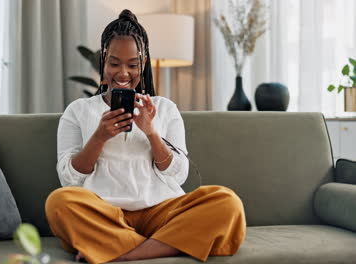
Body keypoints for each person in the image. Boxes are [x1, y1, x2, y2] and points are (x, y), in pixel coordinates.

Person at [45, 9, 246, 264]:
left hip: (161, 213)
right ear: (103, 62)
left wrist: (151, 133)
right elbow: (69, 179)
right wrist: (98, 137)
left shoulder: (165, 108)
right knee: (59, 203)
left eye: (132, 65)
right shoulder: (78, 111)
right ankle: (166, 245)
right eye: (115, 63)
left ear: (144, 63)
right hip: (104, 212)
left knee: (227, 203)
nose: (123, 74)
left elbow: (178, 174)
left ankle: (121, 252)